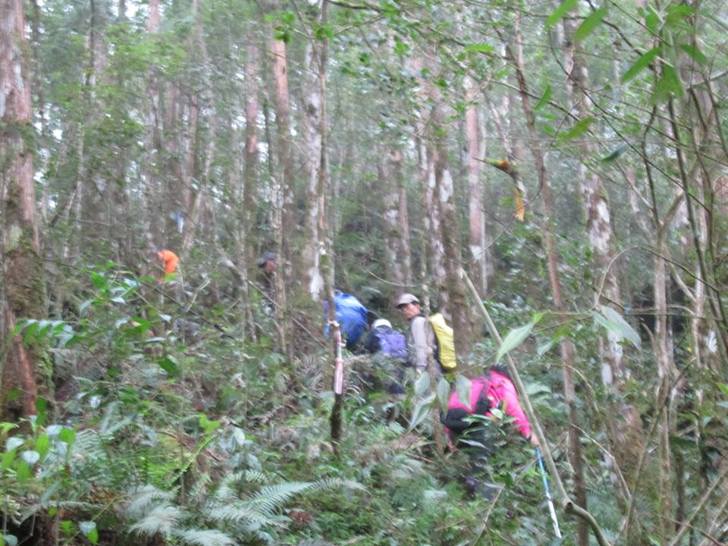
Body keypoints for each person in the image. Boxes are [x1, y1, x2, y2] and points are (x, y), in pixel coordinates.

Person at [364, 318, 408, 395]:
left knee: (388, 379)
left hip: (382, 358)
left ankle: (380, 391)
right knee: (398, 379)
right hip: (399, 359)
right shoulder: (396, 333)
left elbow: (368, 346)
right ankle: (400, 396)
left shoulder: (374, 332)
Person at [395, 293, 436, 374]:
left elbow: (421, 346)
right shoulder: (420, 321)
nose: (405, 310)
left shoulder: (418, 322)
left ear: (417, 306)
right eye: (402, 309)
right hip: (430, 366)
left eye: (407, 307)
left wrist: (420, 369)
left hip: (427, 368)